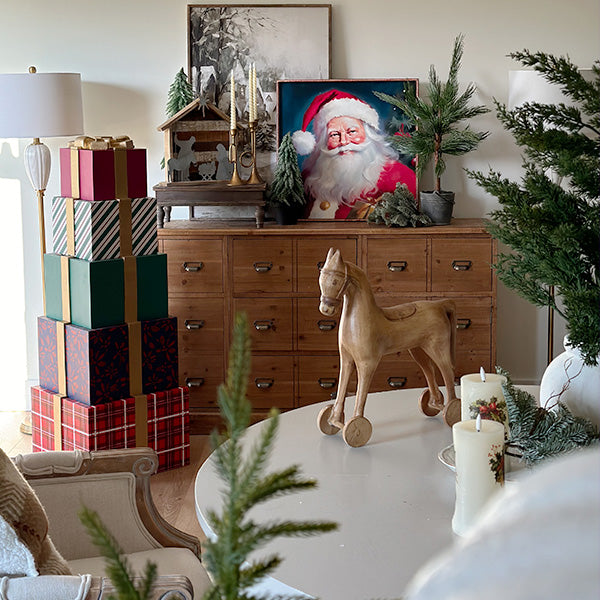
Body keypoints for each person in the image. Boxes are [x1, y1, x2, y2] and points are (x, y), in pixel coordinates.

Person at [292, 89, 416, 219]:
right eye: (334, 135)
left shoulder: (400, 176)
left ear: (369, 135)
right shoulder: (309, 178)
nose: (344, 141)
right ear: (324, 141)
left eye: (351, 132)